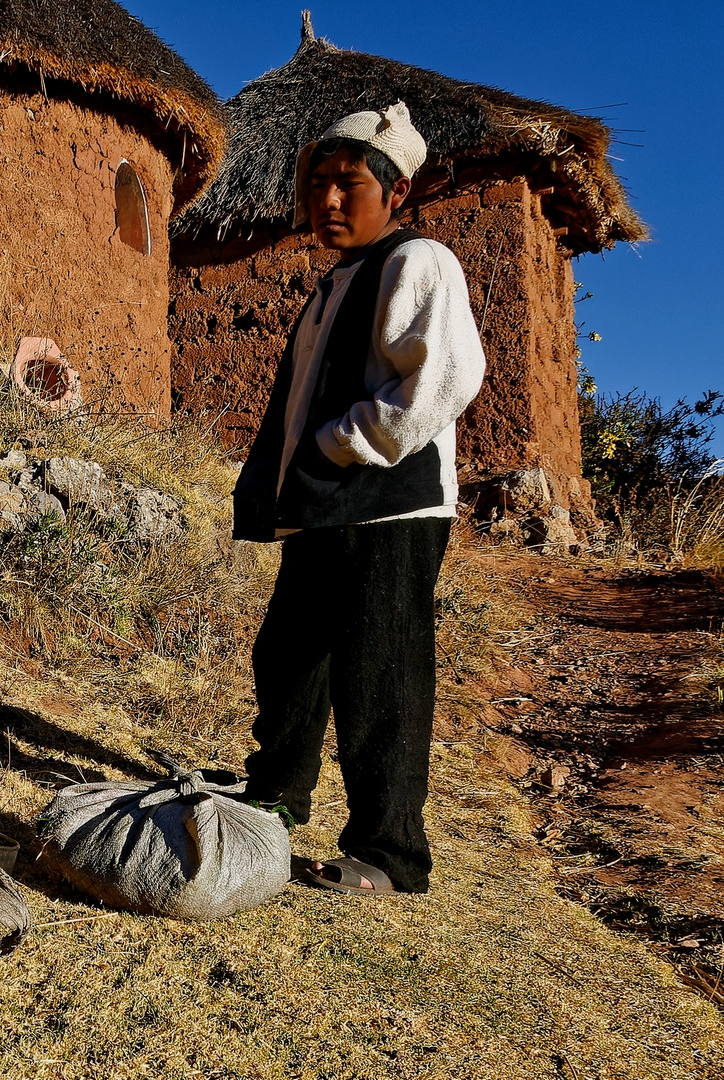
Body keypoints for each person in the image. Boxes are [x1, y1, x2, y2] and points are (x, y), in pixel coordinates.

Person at [231, 102, 485, 895]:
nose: (328, 201)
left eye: (348, 185)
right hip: (326, 505)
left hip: (388, 507)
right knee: (289, 657)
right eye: (317, 185)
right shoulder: (333, 284)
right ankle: (273, 798)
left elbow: (444, 377)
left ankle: (387, 852)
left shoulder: (419, 262)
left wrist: (344, 443)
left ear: (396, 192)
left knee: (380, 674)